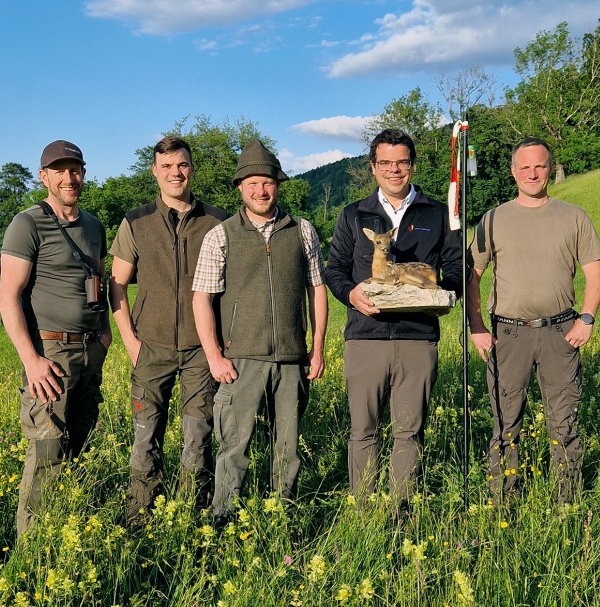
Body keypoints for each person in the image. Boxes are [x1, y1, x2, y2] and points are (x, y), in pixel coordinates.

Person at [324, 128, 464, 510]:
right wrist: (350, 293)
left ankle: (402, 511)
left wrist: (441, 296)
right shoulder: (354, 215)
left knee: (409, 432)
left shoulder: (437, 213)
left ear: (413, 165)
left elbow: (454, 267)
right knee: (362, 432)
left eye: (402, 161)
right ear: (373, 168)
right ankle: (365, 512)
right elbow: (334, 269)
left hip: (418, 338)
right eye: (385, 162)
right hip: (364, 338)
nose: (394, 169)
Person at [191, 139, 327, 524]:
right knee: (235, 446)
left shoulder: (302, 231)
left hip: (291, 359)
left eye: (267, 182)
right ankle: (224, 519)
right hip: (240, 360)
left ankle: (282, 518)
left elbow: (317, 290)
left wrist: (316, 349)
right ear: (240, 187)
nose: (260, 190)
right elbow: (201, 298)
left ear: (278, 184)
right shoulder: (221, 235)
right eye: (251, 182)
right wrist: (215, 356)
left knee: (288, 448)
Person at [467, 138, 600, 503]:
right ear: (513, 172)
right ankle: (503, 501)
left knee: (564, 422)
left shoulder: (573, 216)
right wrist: (476, 327)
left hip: (562, 332)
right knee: (505, 423)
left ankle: (568, 501)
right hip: (508, 335)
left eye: (539, 166)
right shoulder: (493, 219)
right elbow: (471, 275)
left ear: (550, 169)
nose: (532, 174)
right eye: (524, 167)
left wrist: (588, 319)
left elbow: (595, 271)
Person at [108, 135, 228, 527]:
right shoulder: (136, 221)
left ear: (192, 168)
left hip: (200, 350)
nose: (175, 173)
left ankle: (192, 522)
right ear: (154, 172)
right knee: (145, 440)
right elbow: (118, 285)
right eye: (167, 166)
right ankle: (140, 519)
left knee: (198, 439)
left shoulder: (218, 220)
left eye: (182, 165)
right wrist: (131, 342)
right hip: (151, 347)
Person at [0, 140, 110, 538]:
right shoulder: (27, 224)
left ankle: (68, 526)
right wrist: (31, 360)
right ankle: (32, 547)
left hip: (88, 350)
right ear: (43, 176)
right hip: (50, 352)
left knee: (81, 441)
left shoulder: (95, 226)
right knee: (47, 448)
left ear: (84, 173)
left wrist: (104, 332)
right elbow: (8, 295)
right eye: (59, 170)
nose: (69, 177)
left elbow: (99, 279)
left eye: (75, 169)